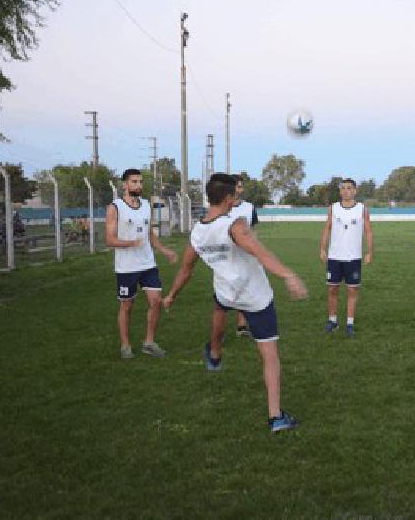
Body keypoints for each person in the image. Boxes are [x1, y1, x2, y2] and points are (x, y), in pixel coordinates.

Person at [163, 173, 308, 434]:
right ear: (229, 198)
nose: (237, 198)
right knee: (270, 355)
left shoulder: (197, 231)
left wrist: (172, 294)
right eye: (235, 195)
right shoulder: (235, 225)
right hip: (255, 297)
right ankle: (276, 417)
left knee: (220, 309)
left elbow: (186, 270)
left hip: (227, 291)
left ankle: (215, 354)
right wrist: (289, 275)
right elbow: (260, 252)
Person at [105, 168, 177, 359]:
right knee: (127, 306)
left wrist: (164, 250)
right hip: (126, 267)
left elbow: (149, 234)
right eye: (134, 182)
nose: (139, 185)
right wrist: (131, 243)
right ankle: (125, 345)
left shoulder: (146, 205)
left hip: (148, 264)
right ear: (125, 184)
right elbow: (110, 240)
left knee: (155, 301)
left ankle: (149, 342)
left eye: (140, 182)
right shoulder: (115, 207)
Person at [319, 178, 373, 336]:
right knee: (332, 289)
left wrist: (369, 252)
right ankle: (333, 321)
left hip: (353, 258)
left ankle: (350, 323)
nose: (346, 191)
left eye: (349, 188)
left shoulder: (362, 209)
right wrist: (322, 248)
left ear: (355, 191)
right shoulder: (333, 208)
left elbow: (368, 231)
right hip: (335, 257)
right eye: (343, 188)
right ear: (340, 191)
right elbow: (327, 228)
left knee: (352, 291)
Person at [229, 175, 261, 338]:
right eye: (237, 186)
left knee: (246, 289)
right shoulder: (222, 207)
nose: (240, 188)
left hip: (246, 255)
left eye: (241, 186)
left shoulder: (249, 207)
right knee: (226, 294)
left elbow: (253, 231)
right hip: (227, 256)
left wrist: (256, 249)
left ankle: (242, 326)